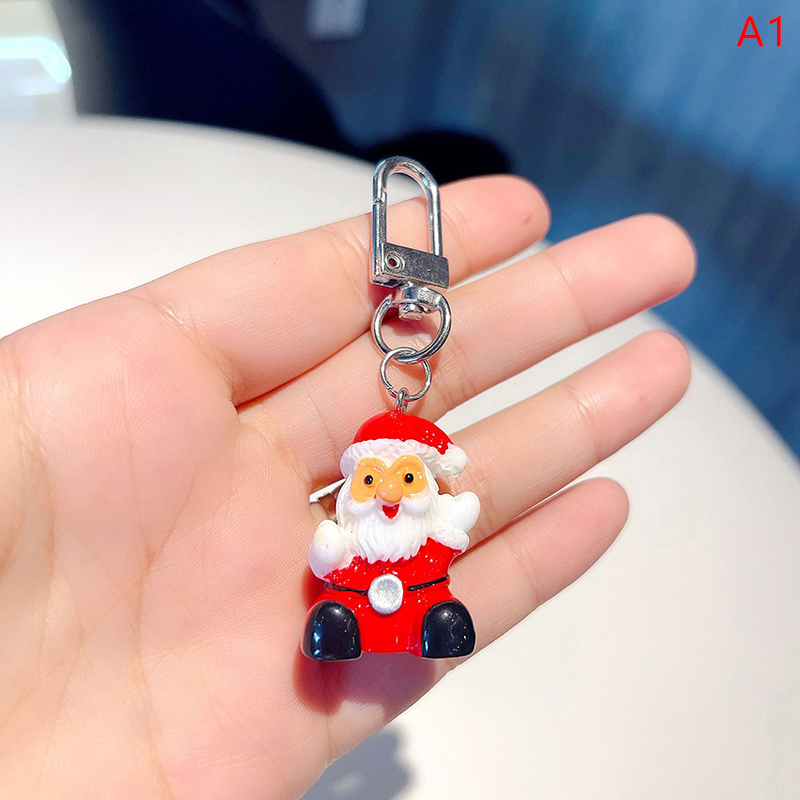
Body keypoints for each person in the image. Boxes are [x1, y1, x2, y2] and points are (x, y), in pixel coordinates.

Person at [0, 175, 694, 798]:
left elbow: (444, 540)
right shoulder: (356, 530)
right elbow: (333, 553)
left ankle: (433, 628)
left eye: (403, 479)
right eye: (376, 479)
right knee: (338, 613)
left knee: (438, 608)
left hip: (419, 590)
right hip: (357, 593)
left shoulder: (423, 528)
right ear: (353, 483)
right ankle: (339, 630)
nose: (389, 494)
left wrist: (452, 526)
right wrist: (332, 553)